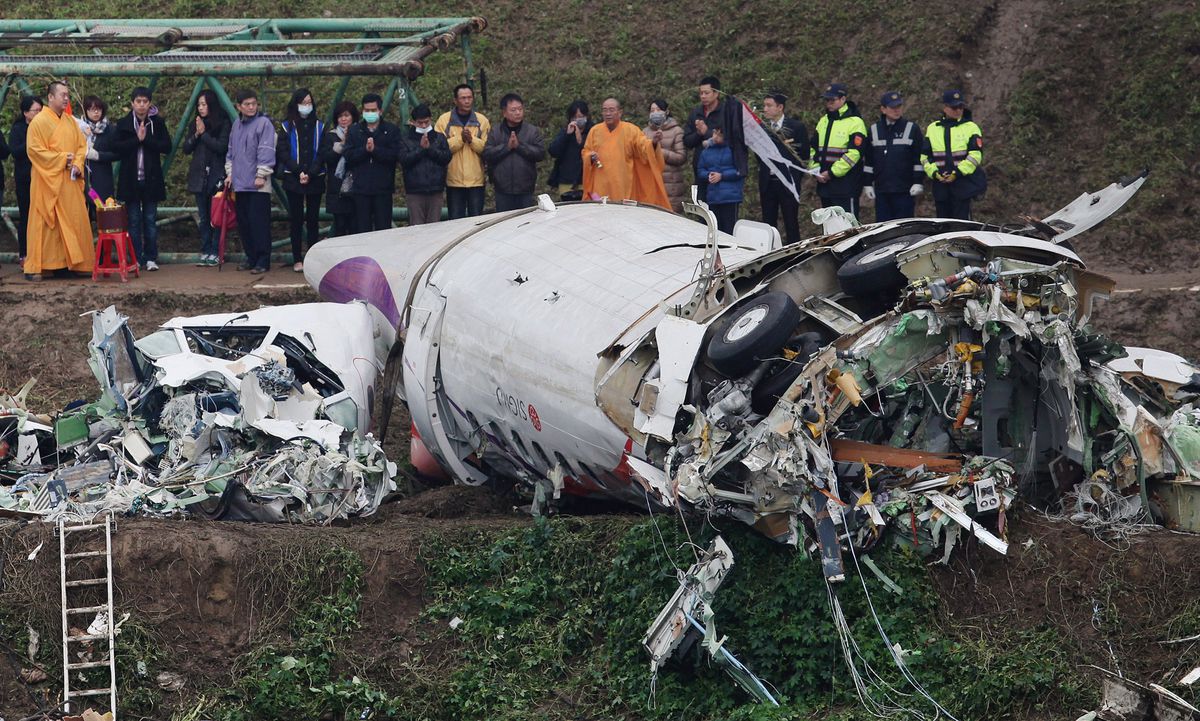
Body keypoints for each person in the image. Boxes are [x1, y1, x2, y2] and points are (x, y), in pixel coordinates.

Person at [24, 80, 92, 281]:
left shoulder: (71, 122)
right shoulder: (39, 122)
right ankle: (37, 266)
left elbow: (81, 147)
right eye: (62, 94)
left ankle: (66, 264)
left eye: (67, 95)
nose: (66, 98)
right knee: (46, 223)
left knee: (72, 221)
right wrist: (62, 159)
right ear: (50, 97)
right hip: (47, 180)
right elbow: (34, 151)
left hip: (69, 182)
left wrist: (78, 162)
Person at [113, 86, 170, 271]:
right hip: (130, 180)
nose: (142, 105)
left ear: (150, 103)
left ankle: (151, 257)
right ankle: (136, 258)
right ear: (132, 103)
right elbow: (117, 148)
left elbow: (166, 146)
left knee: (150, 219)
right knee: (134, 221)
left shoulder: (157, 123)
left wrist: (146, 140)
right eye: (138, 101)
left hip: (151, 179)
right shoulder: (123, 124)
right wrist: (136, 139)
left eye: (145, 102)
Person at [580, 97, 670, 209]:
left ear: (620, 112)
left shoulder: (631, 130)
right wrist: (590, 157)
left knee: (622, 216)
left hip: (623, 184)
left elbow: (643, 146)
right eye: (605, 110)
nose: (608, 113)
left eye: (612, 110)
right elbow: (586, 152)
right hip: (600, 185)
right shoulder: (595, 131)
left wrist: (654, 143)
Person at [224, 88, 276, 274]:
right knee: (244, 223)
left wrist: (261, 174)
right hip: (240, 183)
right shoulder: (236, 124)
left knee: (259, 223)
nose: (251, 107)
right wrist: (230, 173)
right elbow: (231, 151)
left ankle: (263, 259)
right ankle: (251, 256)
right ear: (239, 106)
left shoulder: (264, 124)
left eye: (254, 104)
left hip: (258, 184)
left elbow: (266, 149)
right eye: (247, 104)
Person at [276, 88, 326, 272]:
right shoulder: (287, 126)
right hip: (293, 178)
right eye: (303, 103)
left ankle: (312, 259)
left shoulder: (320, 126)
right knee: (296, 219)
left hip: (315, 178)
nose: (307, 106)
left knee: (313, 220)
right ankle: (297, 258)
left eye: (309, 102)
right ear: (296, 105)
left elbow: (322, 152)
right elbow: (282, 151)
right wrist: (298, 172)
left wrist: (311, 173)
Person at [181, 89, 230, 266]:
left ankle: (216, 250)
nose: (201, 108)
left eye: (204, 104)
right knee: (203, 216)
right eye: (199, 105)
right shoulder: (196, 123)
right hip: (199, 176)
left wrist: (204, 135)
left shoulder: (223, 122)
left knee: (215, 216)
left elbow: (221, 147)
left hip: (216, 175)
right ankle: (206, 249)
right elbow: (186, 148)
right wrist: (196, 134)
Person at [921, 89, 986, 220]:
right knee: (943, 226)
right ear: (944, 107)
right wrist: (935, 173)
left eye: (960, 107)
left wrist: (957, 173)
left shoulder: (971, 127)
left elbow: (975, 155)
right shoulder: (933, 128)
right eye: (954, 107)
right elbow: (925, 157)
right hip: (941, 186)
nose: (958, 110)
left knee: (963, 226)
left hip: (962, 184)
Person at [863, 91, 925, 223]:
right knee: (883, 228)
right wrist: (867, 183)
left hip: (905, 189)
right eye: (893, 108)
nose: (896, 110)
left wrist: (918, 181)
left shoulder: (911, 129)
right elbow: (869, 160)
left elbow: (918, 158)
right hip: (882, 190)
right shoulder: (874, 130)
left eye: (899, 107)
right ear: (883, 109)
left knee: (905, 227)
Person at [809, 82, 868, 218]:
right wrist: (815, 170)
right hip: (824, 185)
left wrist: (832, 173)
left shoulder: (855, 122)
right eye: (827, 100)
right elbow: (813, 149)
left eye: (832, 100)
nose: (829, 103)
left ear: (843, 99)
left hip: (846, 185)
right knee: (829, 228)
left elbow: (854, 154)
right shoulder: (823, 121)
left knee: (849, 226)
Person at [343, 93, 401, 232]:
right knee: (362, 230)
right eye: (367, 110)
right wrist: (365, 150)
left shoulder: (391, 130)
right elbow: (349, 155)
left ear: (380, 111)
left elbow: (394, 155)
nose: (370, 113)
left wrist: (375, 150)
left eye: (373, 110)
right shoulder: (355, 131)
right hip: (360, 189)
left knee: (383, 229)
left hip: (383, 189)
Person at [758, 92, 809, 244]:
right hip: (769, 181)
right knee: (768, 222)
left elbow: (804, 154)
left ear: (780, 107)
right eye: (764, 105)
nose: (765, 109)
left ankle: (795, 253)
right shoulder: (762, 128)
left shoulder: (796, 127)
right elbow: (759, 154)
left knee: (791, 221)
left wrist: (795, 176)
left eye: (769, 105)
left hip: (788, 181)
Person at [482, 93, 546, 212]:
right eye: (513, 110)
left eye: (520, 109)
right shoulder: (496, 132)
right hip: (502, 189)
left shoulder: (532, 131)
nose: (518, 113)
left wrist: (519, 146)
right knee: (505, 223)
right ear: (504, 113)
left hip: (525, 188)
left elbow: (540, 153)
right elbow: (487, 154)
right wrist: (507, 147)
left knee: (525, 223)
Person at [435, 84, 490, 219]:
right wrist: (460, 139)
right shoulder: (444, 120)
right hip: (454, 181)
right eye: (463, 98)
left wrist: (471, 140)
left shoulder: (481, 120)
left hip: (476, 181)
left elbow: (487, 148)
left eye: (469, 97)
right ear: (455, 100)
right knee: (455, 221)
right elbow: (439, 147)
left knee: (476, 220)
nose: (467, 101)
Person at [398, 103, 451, 225]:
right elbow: (404, 160)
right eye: (420, 123)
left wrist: (430, 149)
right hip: (415, 190)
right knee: (417, 226)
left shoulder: (439, 138)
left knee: (434, 226)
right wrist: (421, 149)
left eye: (426, 122)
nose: (423, 125)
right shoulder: (406, 139)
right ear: (413, 122)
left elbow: (446, 157)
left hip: (436, 189)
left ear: (431, 120)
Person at [8, 96, 41, 266]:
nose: (38, 113)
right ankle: (25, 254)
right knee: (26, 215)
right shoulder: (18, 128)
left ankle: (42, 254)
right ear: (26, 112)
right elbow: (14, 151)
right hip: (25, 178)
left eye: (40, 110)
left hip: (43, 177)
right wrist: (31, 140)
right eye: (35, 110)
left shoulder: (44, 126)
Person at [683, 75, 725, 202]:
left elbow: (727, 139)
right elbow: (687, 141)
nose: (703, 96)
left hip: (721, 169)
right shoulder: (696, 112)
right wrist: (699, 133)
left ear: (716, 93)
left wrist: (706, 132)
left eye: (706, 93)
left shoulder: (725, 112)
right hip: (701, 169)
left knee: (719, 212)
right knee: (702, 207)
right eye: (701, 93)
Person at [320, 101, 359, 237]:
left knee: (356, 227)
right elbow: (327, 158)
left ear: (353, 117)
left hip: (357, 187)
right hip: (337, 188)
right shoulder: (330, 136)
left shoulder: (360, 134)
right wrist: (342, 145)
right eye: (340, 116)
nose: (343, 119)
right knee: (340, 227)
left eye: (346, 115)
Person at [697, 126, 744, 234]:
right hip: (713, 196)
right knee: (715, 231)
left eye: (719, 135)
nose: (715, 137)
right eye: (714, 133)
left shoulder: (735, 150)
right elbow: (700, 170)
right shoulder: (706, 151)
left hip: (730, 197)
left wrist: (722, 176)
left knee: (729, 230)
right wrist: (708, 175)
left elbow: (740, 171)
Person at [643, 99, 687, 212]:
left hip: (671, 186)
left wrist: (660, 152)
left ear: (666, 112)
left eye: (658, 110)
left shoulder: (676, 131)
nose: (655, 112)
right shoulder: (645, 132)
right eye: (652, 110)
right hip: (651, 183)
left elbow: (681, 157)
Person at [547, 100, 590, 200]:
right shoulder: (566, 131)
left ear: (586, 116)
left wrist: (581, 142)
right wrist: (566, 135)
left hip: (587, 180)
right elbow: (553, 151)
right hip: (567, 181)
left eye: (580, 116)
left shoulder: (593, 131)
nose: (578, 119)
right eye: (574, 117)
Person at [80, 96, 118, 205]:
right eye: (92, 109)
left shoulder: (109, 129)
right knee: (84, 209)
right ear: (86, 111)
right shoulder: (79, 127)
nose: (96, 112)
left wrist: (98, 155)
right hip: (83, 177)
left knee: (102, 210)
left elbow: (117, 154)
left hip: (102, 178)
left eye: (99, 109)